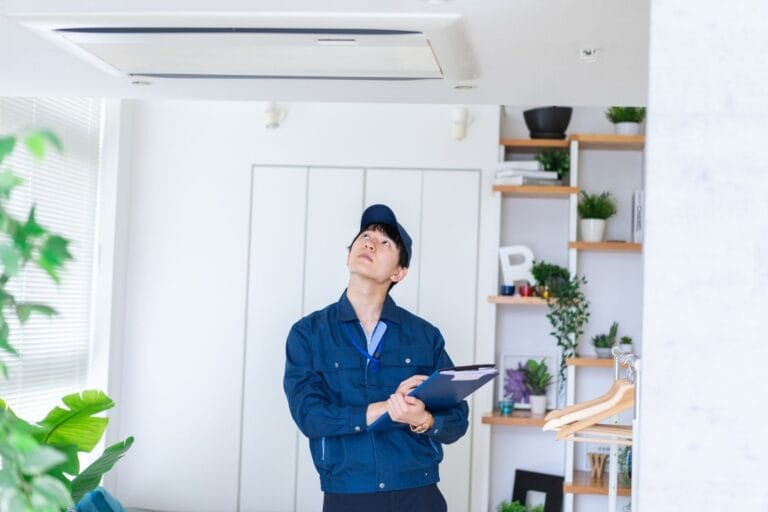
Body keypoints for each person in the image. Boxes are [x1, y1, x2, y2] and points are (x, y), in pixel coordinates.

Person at [283, 204, 469, 512]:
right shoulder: (308, 334)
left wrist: (422, 419)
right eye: (365, 236)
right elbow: (311, 417)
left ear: (399, 272)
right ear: (349, 255)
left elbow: (457, 421)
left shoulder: (425, 336)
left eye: (385, 242)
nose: (370, 242)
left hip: (419, 493)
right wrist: (389, 408)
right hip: (348, 494)